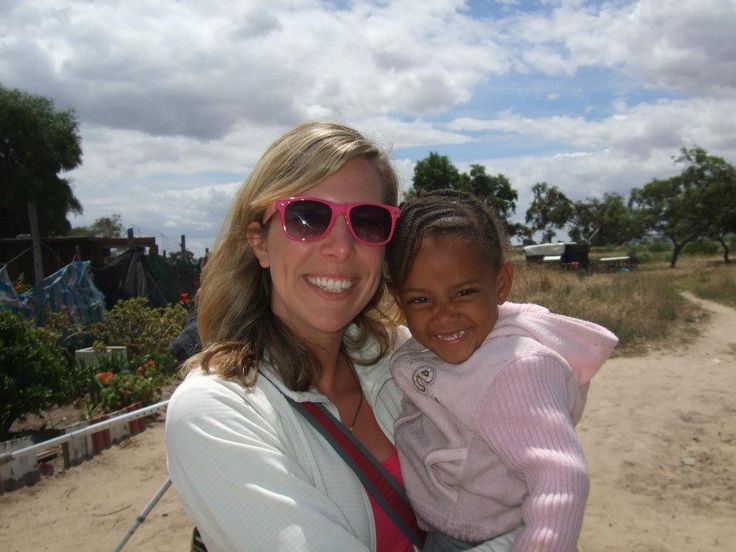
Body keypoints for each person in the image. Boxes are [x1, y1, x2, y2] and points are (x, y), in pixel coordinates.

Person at [165, 122, 417, 551]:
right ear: (259, 243)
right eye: (307, 218)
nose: (341, 247)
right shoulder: (216, 411)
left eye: (368, 221)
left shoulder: (407, 361)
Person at [384, 190, 619, 552]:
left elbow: (561, 478)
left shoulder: (516, 370)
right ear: (399, 301)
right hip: (449, 527)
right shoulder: (446, 348)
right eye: (421, 299)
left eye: (464, 292)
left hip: (481, 538)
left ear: (501, 284)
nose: (444, 314)